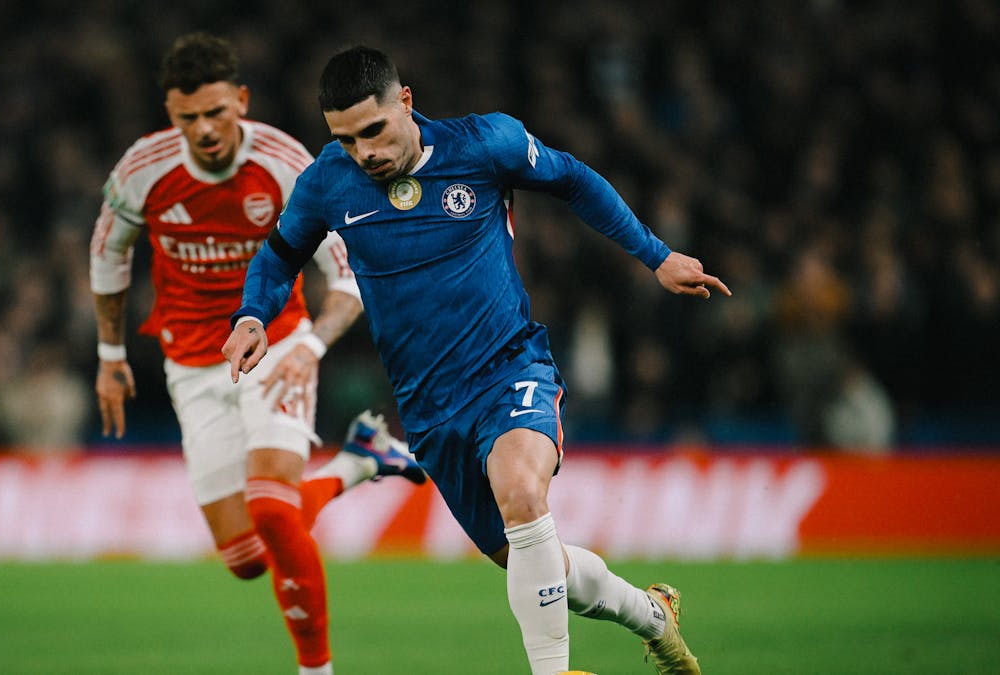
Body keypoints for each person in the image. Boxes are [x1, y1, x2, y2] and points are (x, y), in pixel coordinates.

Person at [224, 46, 731, 675]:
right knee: (535, 563)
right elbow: (277, 258)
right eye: (346, 139)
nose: (364, 153)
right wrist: (251, 315)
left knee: (521, 490)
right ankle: (654, 616)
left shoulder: (485, 144)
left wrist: (656, 256)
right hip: (430, 410)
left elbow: (573, 178)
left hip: (509, 368)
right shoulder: (328, 181)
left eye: (374, 131)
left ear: (405, 102)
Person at [89, 34, 424, 675]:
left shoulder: (285, 162)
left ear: (240, 100)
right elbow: (108, 254)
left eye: (216, 112)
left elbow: (347, 278)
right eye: (187, 118)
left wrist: (312, 346)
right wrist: (110, 355)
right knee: (246, 557)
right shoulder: (143, 168)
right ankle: (358, 463)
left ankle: (315, 670)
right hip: (191, 361)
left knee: (273, 506)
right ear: (170, 114)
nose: (204, 130)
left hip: (278, 343)